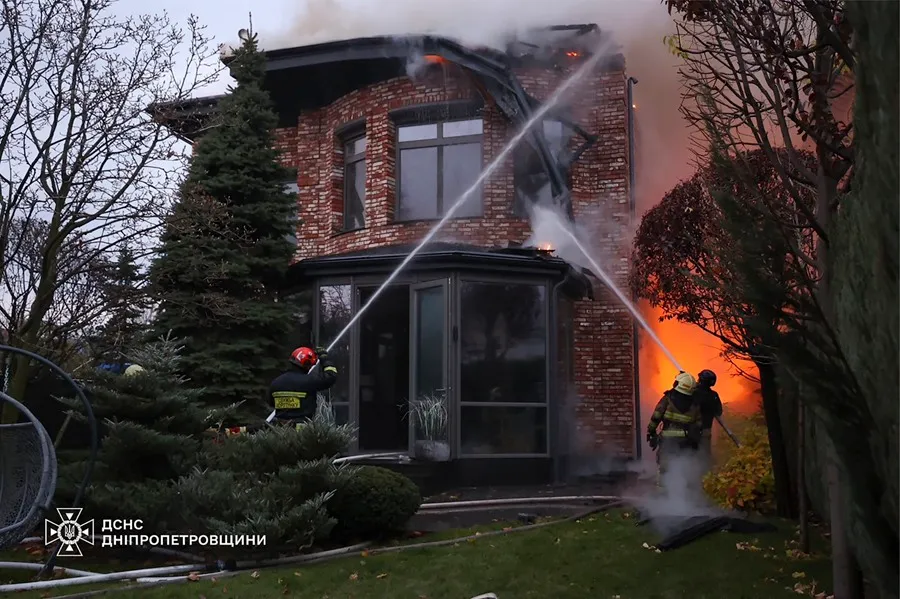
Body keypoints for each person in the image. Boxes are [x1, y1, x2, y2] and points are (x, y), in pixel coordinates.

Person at [646, 371, 702, 487]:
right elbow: (698, 425)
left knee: (665, 469)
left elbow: (656, 416)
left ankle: (663, 495)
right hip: (686, 441)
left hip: (668, 441)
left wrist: (651, 432)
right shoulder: (695, 403)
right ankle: (682, 494)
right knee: (684, 467)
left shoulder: (668, 398)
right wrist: (695, 441)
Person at [268, 346, 338, 426]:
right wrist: (325, 359)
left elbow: (271, 403)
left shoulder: (276, 382)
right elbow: (330, 377)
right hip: (302, 432)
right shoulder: (308, 381)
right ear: (307, 364)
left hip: (280, 431)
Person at [693, 369, 723, 472]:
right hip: (706, 430)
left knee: (690, 452)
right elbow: (719, 411)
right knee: (704, 454)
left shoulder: (693, 393)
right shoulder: (713, 395)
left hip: (691, 429)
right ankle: (706, 477)